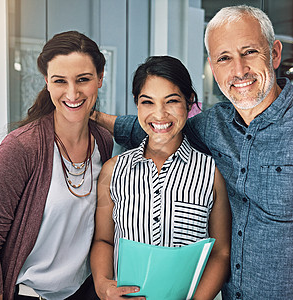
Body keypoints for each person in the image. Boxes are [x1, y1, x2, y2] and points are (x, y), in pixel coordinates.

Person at [92, 5, 293, 300]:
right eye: (224, 58)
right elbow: (161, 127)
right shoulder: (214, 124)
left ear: (274, 54)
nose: (238, 70)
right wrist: (90, 117)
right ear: (213, 65)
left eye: (249, 52)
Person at [0, 31, 113, 300]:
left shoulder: (103, 141)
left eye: (83, 79)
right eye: (60, 81)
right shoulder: (21, 148)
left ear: (100, 78)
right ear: (47, 82)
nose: (72, 92)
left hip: (83, 290)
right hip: (28, 293)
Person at [90, 56, 231, 300]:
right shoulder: (113, 170)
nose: (160, 114)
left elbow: (221, 252)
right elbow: (103, 239)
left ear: (189, 103)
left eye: (172, 101)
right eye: (148, 102)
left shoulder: (211, 172)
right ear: (136, 104)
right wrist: (103, 287)